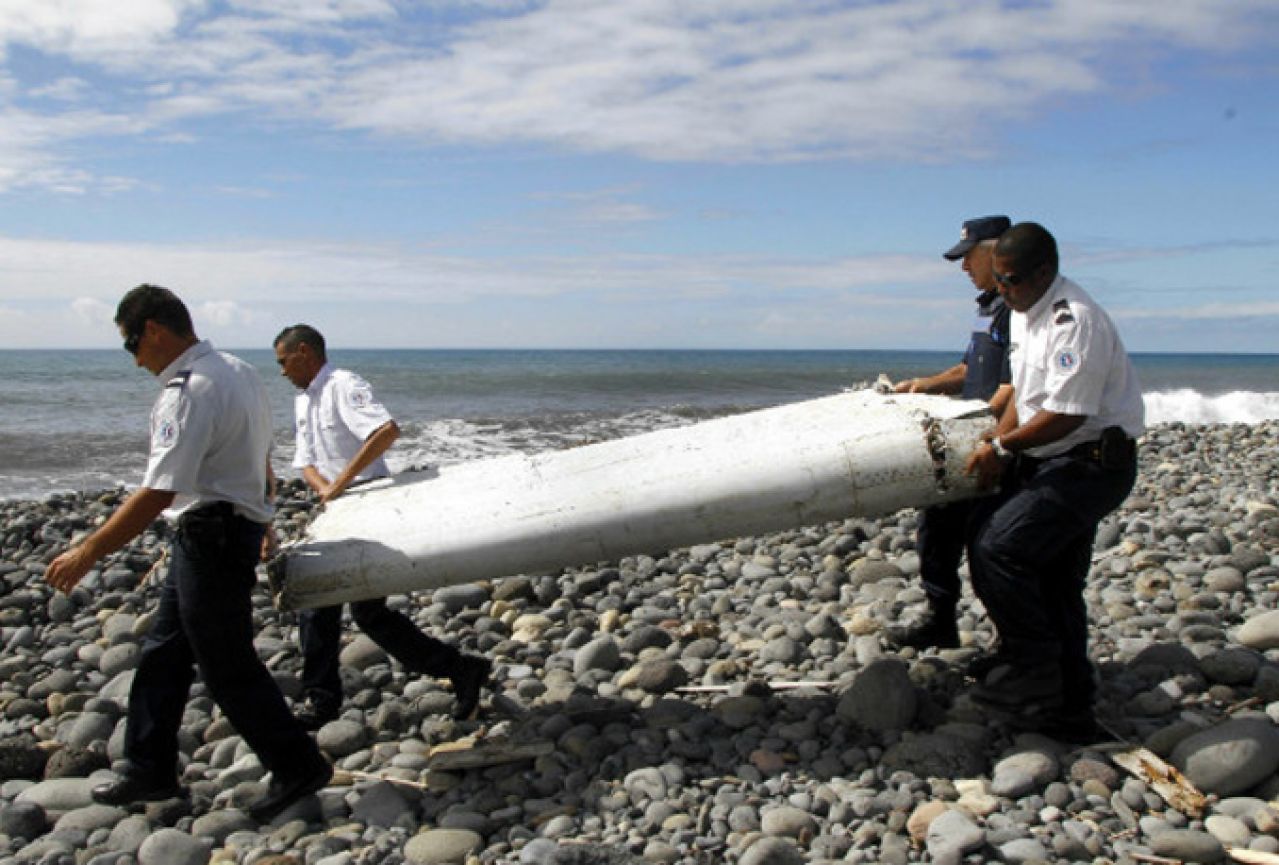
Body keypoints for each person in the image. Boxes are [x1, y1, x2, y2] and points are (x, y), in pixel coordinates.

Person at [45, 285, 331, 822]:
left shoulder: (189, 388)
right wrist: (261, 513)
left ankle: (297, 763)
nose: (134, 360)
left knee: (226, 664)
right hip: (220, 528)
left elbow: (158, 491)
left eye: (132, 344)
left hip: (212, 534)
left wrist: (89, 550)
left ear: (154, 329)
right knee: (164, 652)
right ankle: (147, 767)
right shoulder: (238, 372)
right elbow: (258, 452)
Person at [964, 223, 1144, 739]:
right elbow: (1025, 390)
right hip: (1051, 457)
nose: (1002, 290)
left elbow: (1067, 413)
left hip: (1090, 464)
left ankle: (1034, 670)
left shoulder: (1075, 322)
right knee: (1054, 580)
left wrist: (1002, 447)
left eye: (1012, 280)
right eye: (997, 280)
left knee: (1001, 549)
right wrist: (1000, 442)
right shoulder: (1025, 311)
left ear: (1046, 272)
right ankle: (1071, 709)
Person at [273, 324, 491, 728]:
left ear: (304, 352)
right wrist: (325, 489)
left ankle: (458, 670)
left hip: (368, 503)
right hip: (337, 510)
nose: (282, 371)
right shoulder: (303, 400)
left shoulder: (343, 385)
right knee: (328, 607)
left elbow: (385, 431)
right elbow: (304, 459)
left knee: (361, 611)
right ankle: (324, 700)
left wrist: (341, 484)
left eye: (284, 362)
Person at [887, 215, 1013, 650]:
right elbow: (967, 370)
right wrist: (922, 385)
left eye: (969, 258)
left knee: (988, 545)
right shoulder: (986, 309)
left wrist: (988, 438)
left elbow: (1014, 388)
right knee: (937, 526)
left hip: (996, 442)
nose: (963, 268)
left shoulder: (1017, 310)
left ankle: (1009, 639)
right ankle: (940, 617)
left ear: (997, 253)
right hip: (969, 437)